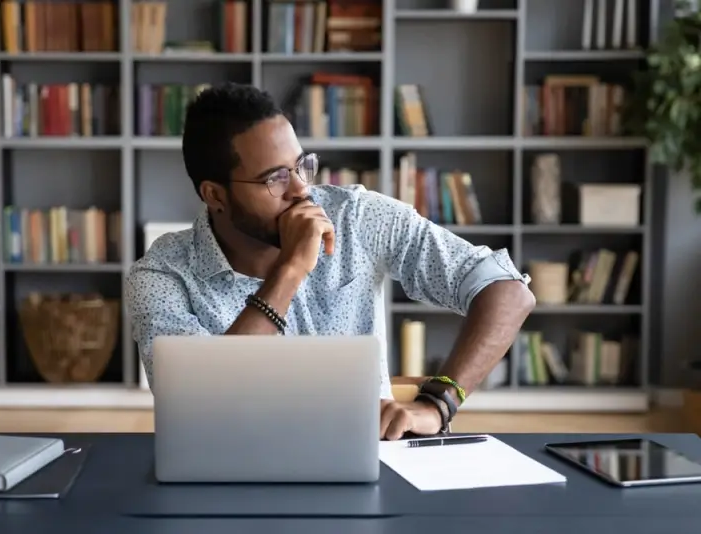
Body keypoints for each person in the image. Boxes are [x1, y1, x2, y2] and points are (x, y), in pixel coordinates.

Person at [125, 82, 536, 441]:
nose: (303, 190)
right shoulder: (161, 276)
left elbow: (508, 290)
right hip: (232, 477)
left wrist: (440, 401)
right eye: (275, 179)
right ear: (214, 195)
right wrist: (290, 270)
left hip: (369, 459)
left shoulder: (356, 217)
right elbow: (196, 408)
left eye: (301, 165)